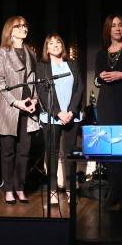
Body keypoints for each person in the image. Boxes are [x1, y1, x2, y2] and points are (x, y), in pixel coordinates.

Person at [0, 16, 40, 204]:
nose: (24, 28)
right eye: (19, 26)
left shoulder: (31, 52)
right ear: (10, 31)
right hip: (10, 108)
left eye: (25, 25)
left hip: (28, 107)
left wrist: (35, 100)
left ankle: (20, 188)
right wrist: (15, 102)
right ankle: (8, 190)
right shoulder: (3, 53)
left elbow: (34, 80)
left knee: (24, 151)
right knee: (8, 151)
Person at [37, 34, 83, 204]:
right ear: (46, 48)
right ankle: (53, 190)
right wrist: (57, 112)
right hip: (52, 116)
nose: (55, 45)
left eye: (58, 42)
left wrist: (70, 111)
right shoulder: (42, 66)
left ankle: (71, 188)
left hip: (71, 116)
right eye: (51, 43)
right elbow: (42, 92)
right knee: (52, 153)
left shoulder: (71, 63)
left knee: (70, 153)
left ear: (62, 46)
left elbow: (79, 87)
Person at [94, 14, 122, 207]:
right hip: (105, 102)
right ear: (108, 29)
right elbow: (97, 80)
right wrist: (100, 76)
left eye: (120, 25)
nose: (117, 28)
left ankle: (121, 192)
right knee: (107, 148)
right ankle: (115, 189)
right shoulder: (101, 53)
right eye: (113, 25)